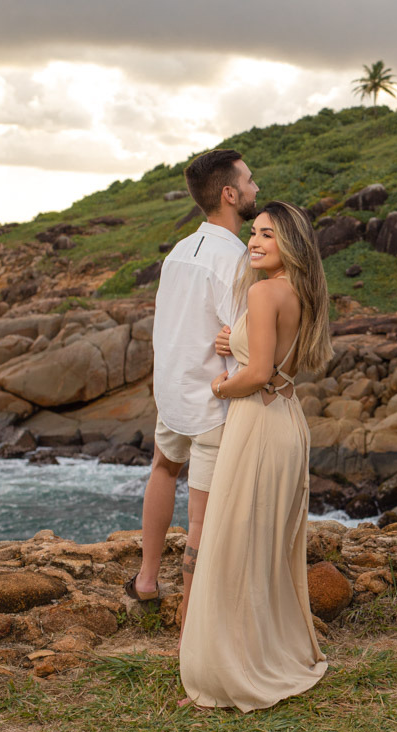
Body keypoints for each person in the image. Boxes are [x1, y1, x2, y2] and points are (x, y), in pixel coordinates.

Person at [179, 201, 334, 711]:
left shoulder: (264, 291)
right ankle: (267, 650)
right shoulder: (299, 291)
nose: (255, 241)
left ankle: (234, 667)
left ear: (288, 241)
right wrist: (237, 341)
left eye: (268, 234)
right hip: (287, 421)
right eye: (254, 232)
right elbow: (273, 356)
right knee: (267, 551)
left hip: (258, 422)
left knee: (235, 548)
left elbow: (258, 372)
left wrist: (223, 384)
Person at [125, 148, 259, 637]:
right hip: (213, 401)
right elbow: (248, 340)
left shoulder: (178, 251)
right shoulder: (237, 260)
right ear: (229, 194)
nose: (256, 188)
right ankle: (190, 624)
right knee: (201, 516)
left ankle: (145, 580)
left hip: (172, 392)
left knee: (162, 469)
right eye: (249, 180)